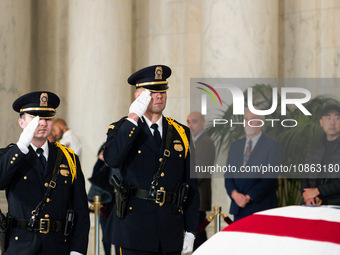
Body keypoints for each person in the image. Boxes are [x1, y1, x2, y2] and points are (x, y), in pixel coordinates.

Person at [103, 65, 199, 255]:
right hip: (133, 229)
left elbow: (190, 185)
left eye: (162, 91)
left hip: (170, 229)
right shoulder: (122, 128)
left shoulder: (181, 132)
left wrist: (191, 230)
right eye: (152, 92)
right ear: (138, 96)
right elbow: (112, 159)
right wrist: (133, 118)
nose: (159, 96)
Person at [0, 91, 90, 255]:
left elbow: (80, 210)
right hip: (20, 247)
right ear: (21, 123)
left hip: (57, 247)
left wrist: (77, 250)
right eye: (35, 118)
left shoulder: (68, 158)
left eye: (47, 118)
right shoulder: (9, 156)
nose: (42, 123)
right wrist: (21, 147)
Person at [225, 109, 280, 221]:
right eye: (246, 119)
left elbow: (270, 178)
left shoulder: (272, 146)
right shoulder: (235, 146)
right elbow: (228, 175)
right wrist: (235, 195)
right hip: (239, 209)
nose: (248, 123)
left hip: (262, 208)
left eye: (253, 119)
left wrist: (248, 197)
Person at [301, 105, 340, 205]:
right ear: (321, 122)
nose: (332, 122)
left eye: (337, 118)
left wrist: (318, 191)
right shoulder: (314, 146)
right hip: (312, 202)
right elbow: (305, 173)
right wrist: (307, 194)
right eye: (328, 118)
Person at [187, 112, 214, 250]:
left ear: (203, 123)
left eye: (194, 121)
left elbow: (199, 172)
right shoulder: (194, 141)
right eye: (188, 122)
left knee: (199, 239)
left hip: (198, 197)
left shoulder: (205, 142)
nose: (190, 125)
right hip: (195, 197)